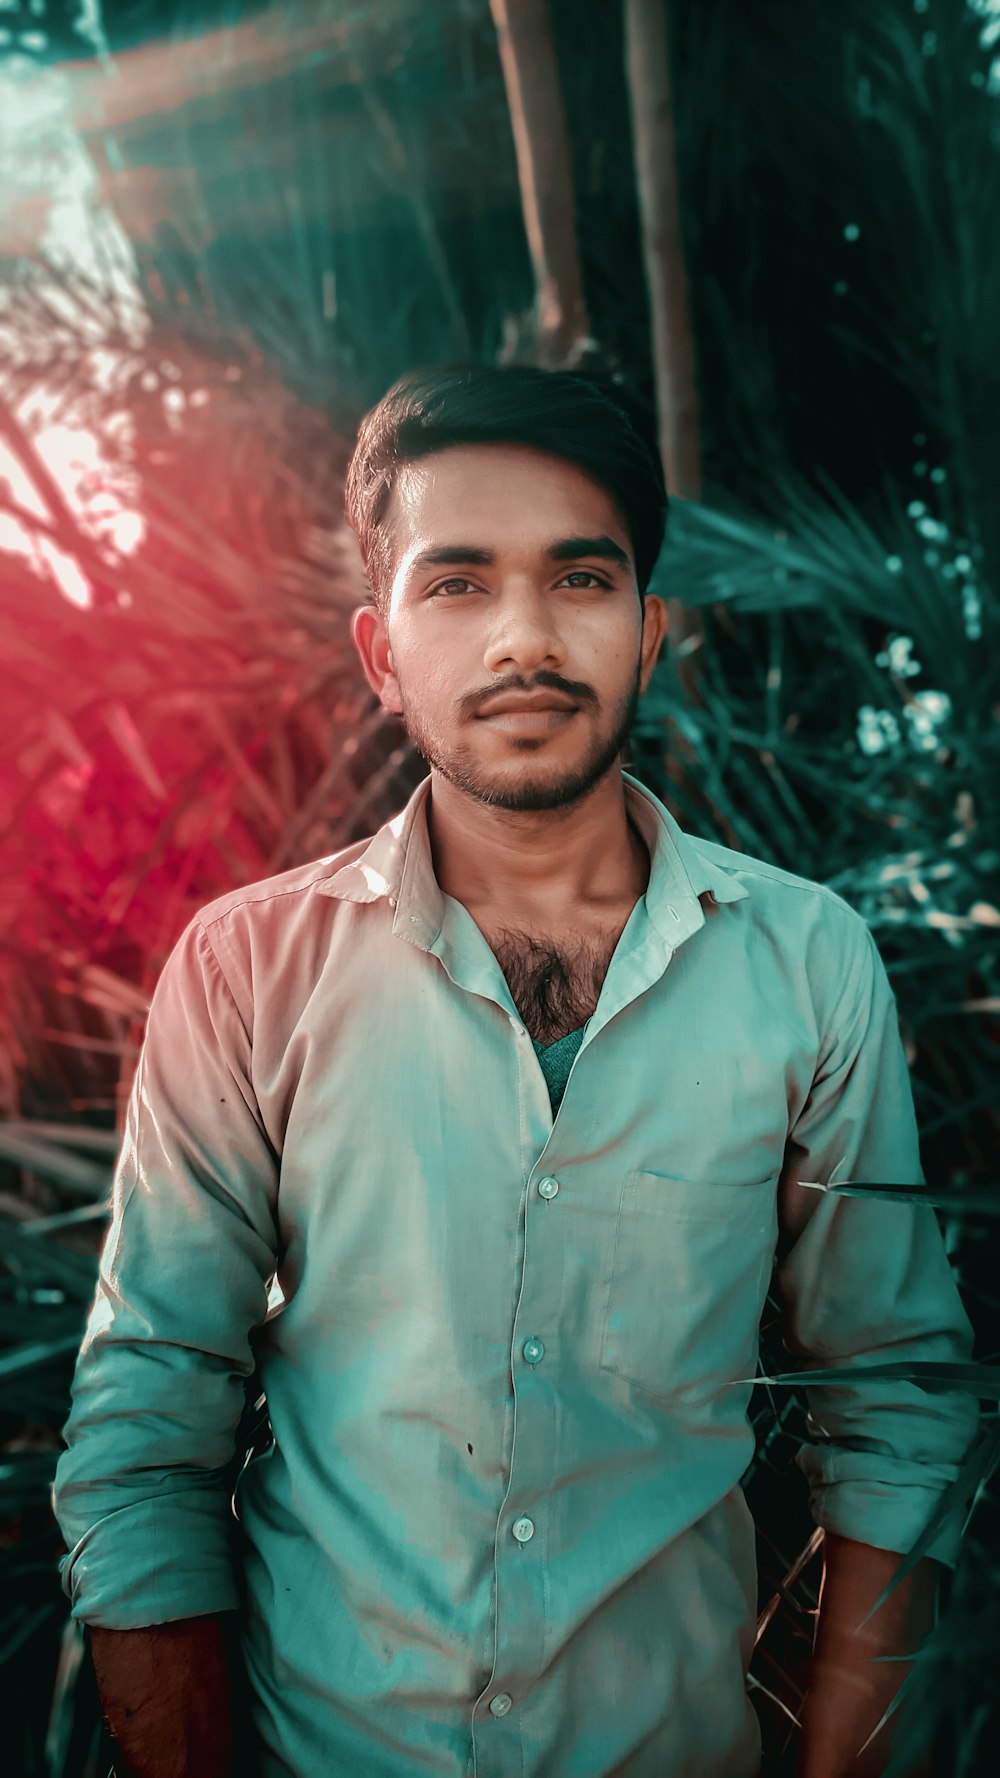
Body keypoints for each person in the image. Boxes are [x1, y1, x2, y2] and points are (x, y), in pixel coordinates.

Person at [52, 364, 978, 1778]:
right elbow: (144, 1438)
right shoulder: (249, 973)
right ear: (381, 651)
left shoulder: (806, 965)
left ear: (650, 628)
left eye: (582, 579)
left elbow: (899, 1409)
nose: (526, 639)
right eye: (459, 585)